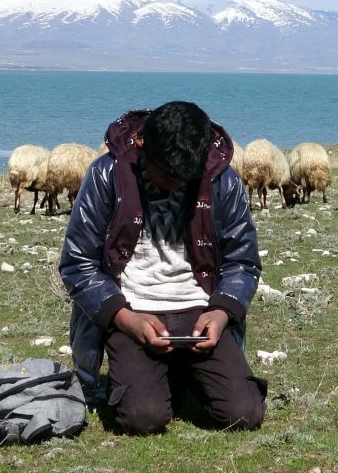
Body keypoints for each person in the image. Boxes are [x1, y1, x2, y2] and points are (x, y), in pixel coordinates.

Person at [60, 101, 266, 434]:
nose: (175, 184)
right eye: (166, 174)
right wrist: (126, 319)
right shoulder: (106, 175)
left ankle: (181, 373)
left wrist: (221, 313)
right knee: (144, 418)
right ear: (142, 147)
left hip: (200, 308)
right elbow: (78, 263)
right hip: (133, 307)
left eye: (185, 176)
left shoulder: (221, 180)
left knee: (244, 413)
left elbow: (242, 259)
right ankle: (157, 376)